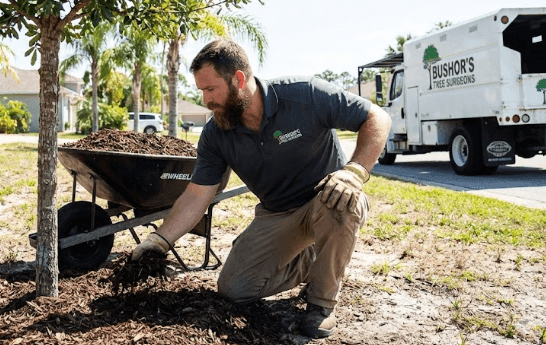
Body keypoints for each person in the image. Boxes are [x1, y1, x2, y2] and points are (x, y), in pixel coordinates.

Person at [130, 39, 391, 338]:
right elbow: (197, 195)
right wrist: (159, 241)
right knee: (234, 290)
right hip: (277, 214)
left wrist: (355, 172)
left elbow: (377, 117)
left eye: (210, 89)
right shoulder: (216, 134)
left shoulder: (305, 94)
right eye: (201, 90)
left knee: (345, 200)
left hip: (326, 201)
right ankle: (309, 262)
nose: (205, 100)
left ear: (239, 79)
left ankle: (321, 304)